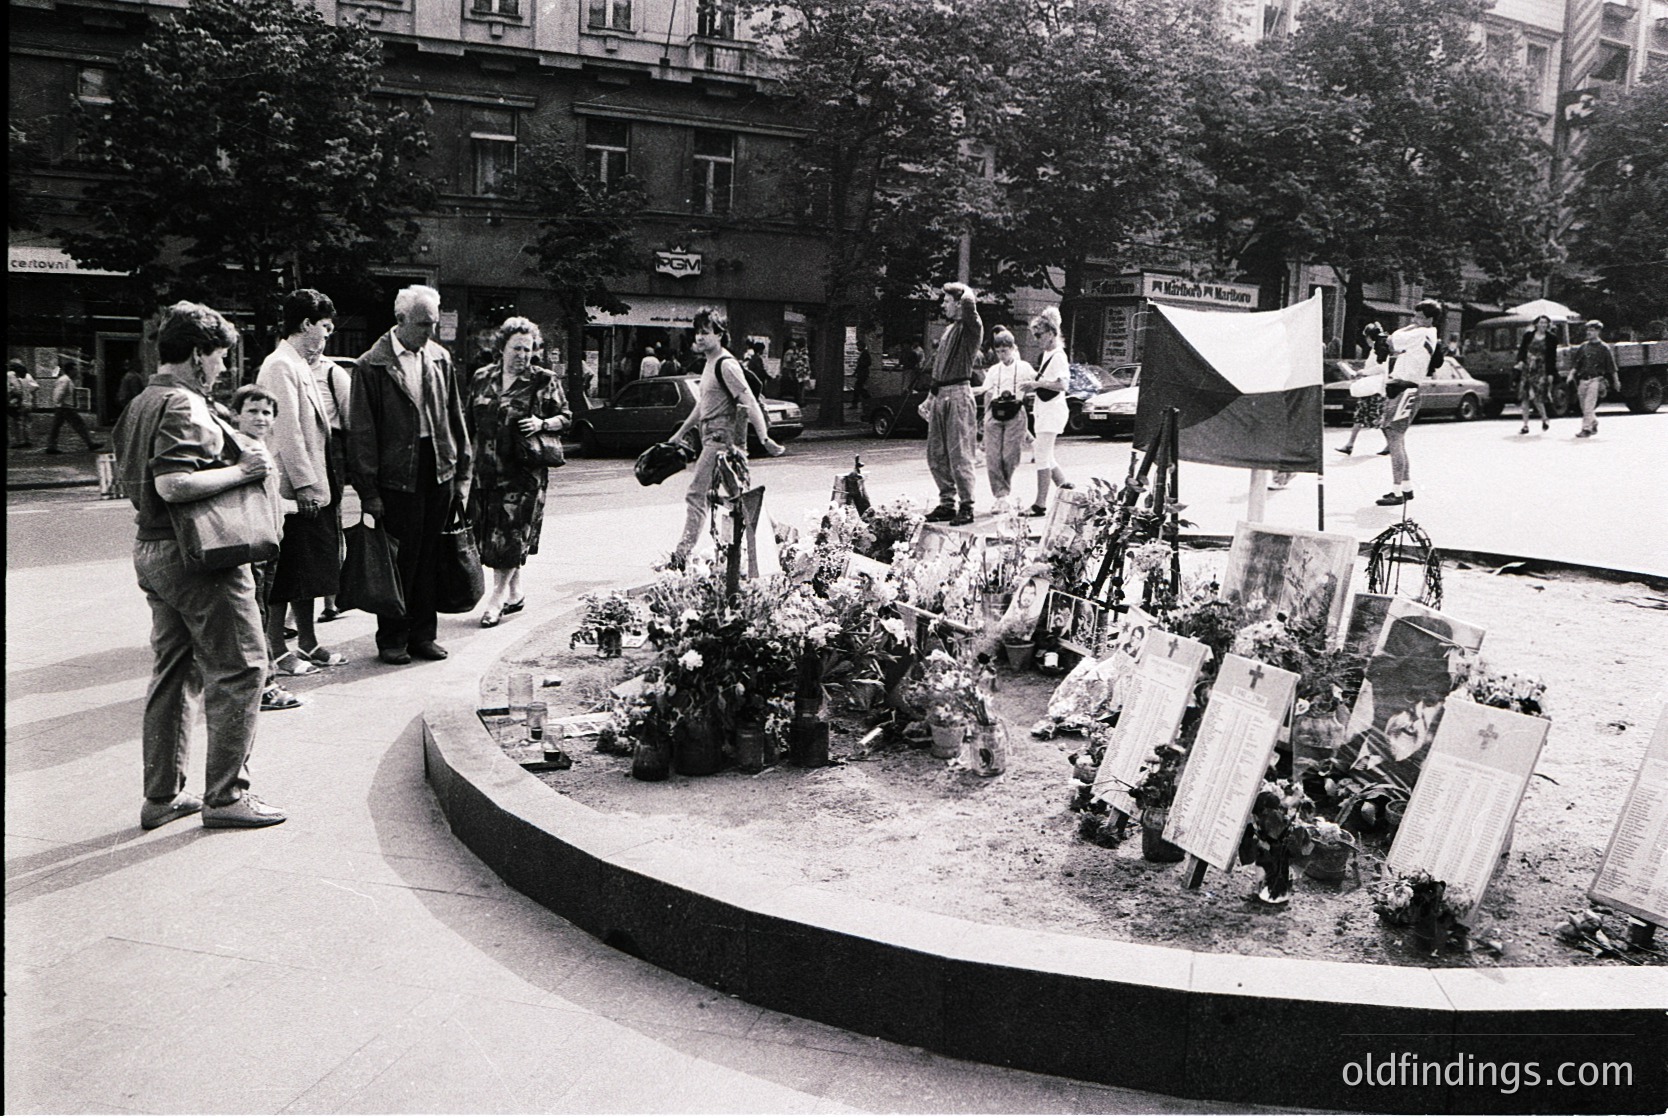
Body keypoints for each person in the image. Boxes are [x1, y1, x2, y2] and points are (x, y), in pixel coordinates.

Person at [111, 301, 286, 830]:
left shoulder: (143, 400)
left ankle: (162, 795)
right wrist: (243, 470)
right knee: (244, 666)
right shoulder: (185, 405)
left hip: (153, 550)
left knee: (175, 671)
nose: (223, 370)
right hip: (197, 557)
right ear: (194, 355)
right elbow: (173, 484)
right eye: (218, 358)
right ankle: (227, 795)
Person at [348, 284, 473, 666]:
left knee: (432, 556)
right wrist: (368, 490)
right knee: (399, 561)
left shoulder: (439, 358)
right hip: (396, 475)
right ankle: (392, 638)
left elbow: (455, 415)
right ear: (400, 320)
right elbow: (362, 432)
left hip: (438, 467)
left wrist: (462, 470)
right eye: (423, 325)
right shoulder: (372, 365)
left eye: (434, 324)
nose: (430, 332)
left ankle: (423, 635)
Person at [257, 289, 345, 675]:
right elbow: (287, 431)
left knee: (307, 567)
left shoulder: (298, 363)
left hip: (310, 482)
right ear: (306, 324)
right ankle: (277, 647)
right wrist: (307, 485)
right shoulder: (280, 365)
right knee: (289, 570)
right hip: (293, 489)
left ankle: (307, 641)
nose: (327, 336)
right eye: (324, 327)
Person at [466, 317, 571, 627]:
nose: (523, 355)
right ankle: (515, 592)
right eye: (517, 348)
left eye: (528, 349)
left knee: (510, 534)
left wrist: (542, 424)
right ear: (502, 347)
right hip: (486, 471)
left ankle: (496, 598)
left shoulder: (543, 380)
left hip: (523, 474)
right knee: (490, 533)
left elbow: (566, 417)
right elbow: (468, 421)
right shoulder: (482, 377)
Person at [664, 306, 785, 570]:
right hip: (712, 437)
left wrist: (764, 437)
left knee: (696, 494)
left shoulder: (726, 365)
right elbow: (702, 406)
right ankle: (778, 534)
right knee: (740, 498)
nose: (699, 337)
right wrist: (680, 433)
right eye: (697, 332)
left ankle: (680, 556)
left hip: (722, 441)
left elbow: (748, 400)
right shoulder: (709, 363)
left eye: (705, 332)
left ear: (720, 334)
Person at [228, 384, 303, 713]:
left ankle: (261, 679)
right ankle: (263, 684)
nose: (260, 417)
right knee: (255, 615)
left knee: (261, 611)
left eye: (266, 413)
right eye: (252, 411)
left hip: (267, 543)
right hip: (253, 545)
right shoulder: (245, 450)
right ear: (236, 416)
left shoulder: (261, 448)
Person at [924, 282, 984, 525]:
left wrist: (964, 291)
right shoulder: (950, 330)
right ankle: (947, 503)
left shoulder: (971, 327)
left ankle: (967, 505)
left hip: (959, 393)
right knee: (936, 453)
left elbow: (970, 304)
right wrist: (930, 397)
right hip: (941, 394)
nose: (943, 304)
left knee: (960, 454)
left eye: (947, 301)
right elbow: (939, 369)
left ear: (959, 303)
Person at [1376, 299, 1442, 506]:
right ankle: (1405, 487)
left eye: (1419, 317)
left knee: (1394, 440)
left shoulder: (1421, 333)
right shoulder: (1428, 334)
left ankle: (1397, 491)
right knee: (1396, 439)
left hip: (1405, 388)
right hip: (1404, 387)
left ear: (1429, 319)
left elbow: (1393, 340)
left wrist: (1410, 326)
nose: (1414, 320)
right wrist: (1414, 324)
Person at [976, 327, 1033, 512]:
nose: (1002, 355)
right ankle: (1000, 496)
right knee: (993, 456)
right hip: (995, 412)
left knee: (1010, 455)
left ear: (1013, 348)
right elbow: (985, 389)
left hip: (1015, 413)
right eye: (998, 351)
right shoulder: (994, 370)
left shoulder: (1023, 367)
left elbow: (1038, 383)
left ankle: (1004, 491)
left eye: (1005, 351)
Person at [315, 352, 353, 624]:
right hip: (299, 449)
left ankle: (332, 600)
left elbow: (351, 419)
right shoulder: (285, 367)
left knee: (330, 523)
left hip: (330, 448)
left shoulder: (333, 373)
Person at [1027, 307, 1072, 515]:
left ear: (1051, 333)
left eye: (1039, 335)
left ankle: (1040, 503)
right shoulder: (1048, 354)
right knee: (1046, 454)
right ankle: (1067, 490)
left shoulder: (1058, 356)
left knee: (1042, 455)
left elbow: (1063, 385)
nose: (1036, 339)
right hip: (1045, 410)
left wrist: (1037, 384)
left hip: (1052, 411)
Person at [1337, 322, 1392, 456]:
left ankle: (1391, 444)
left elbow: (1381, 368)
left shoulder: (1380, 350)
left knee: (1377, 418)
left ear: (1369, 337)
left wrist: (1363, 372)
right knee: (1360, 416)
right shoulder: (1375, 350)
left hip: (1376, 389)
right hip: (1370, 388)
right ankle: (1350, 444)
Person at [1571, 319, 1620, 439]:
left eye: (1592, 330)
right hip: (1583, 380)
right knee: (1583, 406)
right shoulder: (1583, 347)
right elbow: (1577, 364)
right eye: (1588, 330)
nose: (1589, 332)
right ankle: (1593, 422)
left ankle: (1586, 429)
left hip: (1595, 380)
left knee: (1589, 405)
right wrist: (1571, 374)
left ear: (1598, 332)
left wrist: (1616, 381)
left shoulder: (1604, 348)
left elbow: (1611, 366)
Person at [42, 362, 103, 454]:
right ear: (70, 370)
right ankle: (90, 443)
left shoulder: (66, 380)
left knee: (57, 427)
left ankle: (51, 446)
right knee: (79, 424)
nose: (77, 371)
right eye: (75, 369)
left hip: (63, 407)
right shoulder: (65, 380)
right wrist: (59, 403)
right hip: (65, 407)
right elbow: (59, 393)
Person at [1514, 314, 1557, 435]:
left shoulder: (1551, 338)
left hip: (1541, 369)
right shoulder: (1528, 335)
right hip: (1527, 368)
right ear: (1536, 324)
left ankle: (1544, 418)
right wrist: (1520, 361)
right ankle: (1525, 425)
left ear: (1548, 325)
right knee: (1525, 396)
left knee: (1538, 396)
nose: (1543, 325)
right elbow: (1522, 350)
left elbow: (1552, 357)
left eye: (1545, 323)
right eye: (1541, 322)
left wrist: (1551, 373)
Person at [8, 359, 39, 447]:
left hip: (18, 403)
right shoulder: (27, 375)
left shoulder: (10, 375)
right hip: (28, 402)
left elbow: (14, 390)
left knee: (16, 423)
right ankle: (28, 440)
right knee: (27, 422)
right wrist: (28, 392)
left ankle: (18, 441)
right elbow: (36, 386)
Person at [779, 338, 811, 405]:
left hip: (797, 369)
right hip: (801, 370)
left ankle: (798, 400)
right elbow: (804, 360)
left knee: (797, 386)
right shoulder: (802, 351)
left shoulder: (796, 351)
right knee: (800, 386)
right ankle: (800, 401)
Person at [852, 340, 872, 408]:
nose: (858, 348)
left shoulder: (865, 353)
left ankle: (867, 400)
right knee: (859, 388)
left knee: (858, 388)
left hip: (863, 373)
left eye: (858, 346)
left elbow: (868, 363)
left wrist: (861, 365)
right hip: (862, 373)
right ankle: (867, 400)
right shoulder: (864, 353)